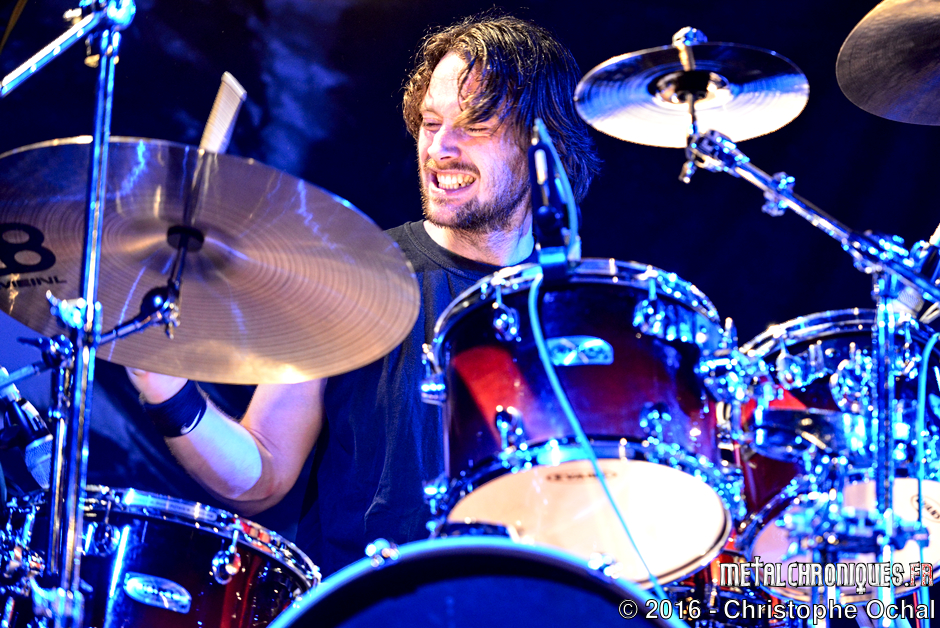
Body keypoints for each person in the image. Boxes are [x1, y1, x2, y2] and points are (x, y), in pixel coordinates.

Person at [127, 12, 601, 577]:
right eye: (430, 123)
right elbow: (261, 475)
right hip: (370, 604)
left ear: (542, 142)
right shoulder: (350, 275)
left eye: (473, 124)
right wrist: (164, 387)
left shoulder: (589, 312)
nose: (440, 148)